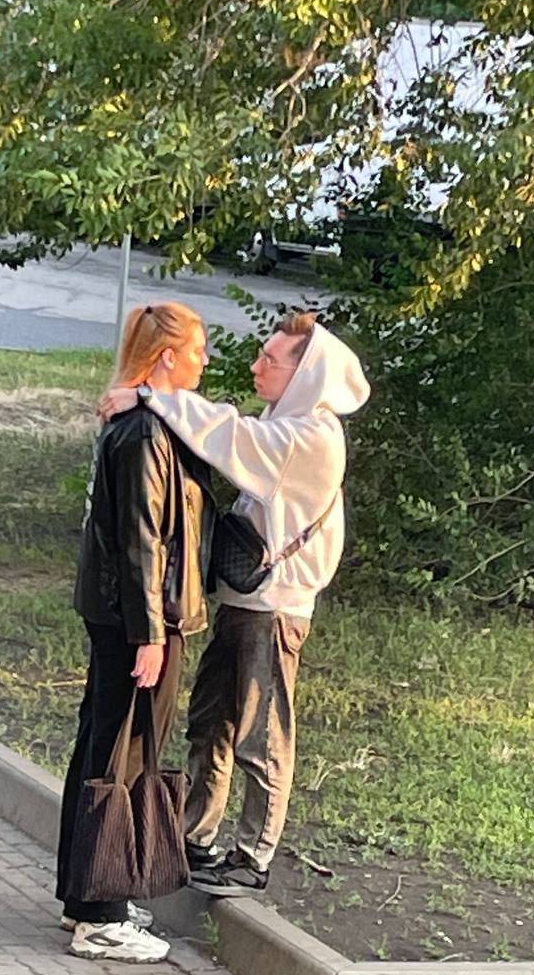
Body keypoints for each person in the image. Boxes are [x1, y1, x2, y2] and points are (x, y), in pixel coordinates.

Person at [98, 312, 370, 896]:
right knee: (212, 721)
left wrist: (150, 395)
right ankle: (195, 837)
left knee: (261, 731)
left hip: (275, 609)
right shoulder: (286, 422)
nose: (256, 366)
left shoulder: (311, 437)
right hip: (247, 599)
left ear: (306, 374)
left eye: (270, 360)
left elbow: (231, 436)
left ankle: (253, 855)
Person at [57, 301, 214, 962]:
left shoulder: (143, 419)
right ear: (168, 355)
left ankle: (86, 895)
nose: (204, 361)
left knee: (104, 742)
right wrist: (151, 633)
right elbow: (143, 540)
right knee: (122, 752)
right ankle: (101, 914)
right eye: (198, 349)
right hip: (139, 618)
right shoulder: (147, 433)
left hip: (121, 612)